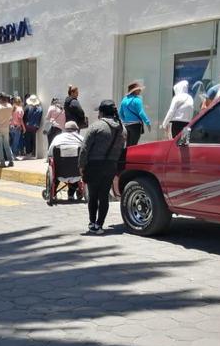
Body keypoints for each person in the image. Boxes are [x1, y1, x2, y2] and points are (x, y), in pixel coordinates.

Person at [80, 100, 126, 235]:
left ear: (102, 112)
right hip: (111, 166)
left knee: (93, 195)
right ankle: (100, 225)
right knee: (104, 195)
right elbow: (122, 148)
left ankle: (92, 223)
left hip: (94, 165)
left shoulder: (96, 126)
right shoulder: (122, 129)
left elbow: (84, 149)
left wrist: (81, 166)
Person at [48, 121, 85, 201]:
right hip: (77, 173)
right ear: (76, 130)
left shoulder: (58, 138)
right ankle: (71, 194)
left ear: (65, 129)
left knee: (57, 169)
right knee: (75, 167)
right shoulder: (81, 139)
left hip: (59, 172)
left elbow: (50, 153)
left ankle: (53, 192)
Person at [119, 81, 151, 146]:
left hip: (126, 125)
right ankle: (131, 156)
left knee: (128, 144)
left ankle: (126, 156)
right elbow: (141, 113)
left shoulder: (124, 100)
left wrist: (126, 120)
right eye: (138, 89)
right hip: (136, 126)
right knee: (134, 145)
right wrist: (148, 122)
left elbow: (120, 113)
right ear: (134, 91)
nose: (140, 91)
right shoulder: (137, 100)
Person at [0, 94, 15, 167]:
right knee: (7, 145)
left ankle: (2, 162)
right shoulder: (10, 106)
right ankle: (11, 160)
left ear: (1, 99)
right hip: (6, 128)